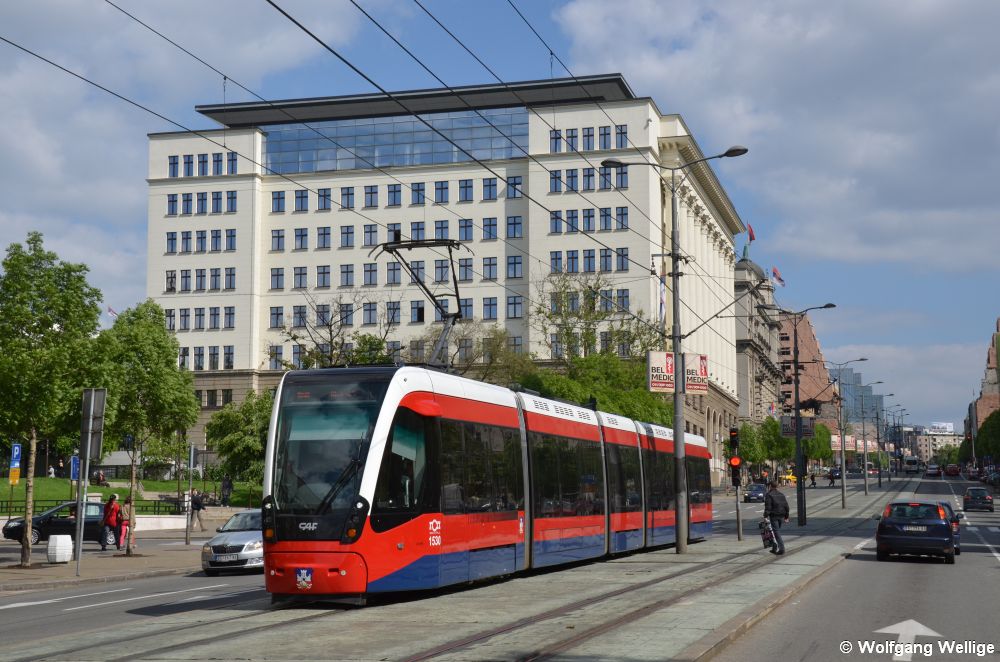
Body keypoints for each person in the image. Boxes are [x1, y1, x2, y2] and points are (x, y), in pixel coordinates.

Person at [763, 481, 789, 555]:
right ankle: (774, 547)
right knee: (775, 532)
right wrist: (786, 517)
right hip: (781, 515)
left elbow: (768, 507)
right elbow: (786, 506)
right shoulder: (781, 494)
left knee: (776, 532)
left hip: (774, 516)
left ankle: (782, 549)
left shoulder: (769, 495)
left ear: (770, 486)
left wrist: (765, 516)